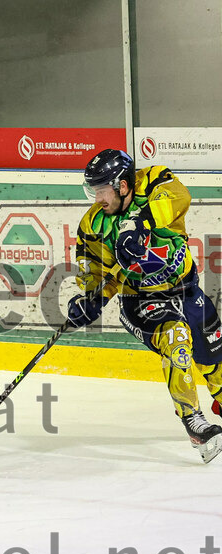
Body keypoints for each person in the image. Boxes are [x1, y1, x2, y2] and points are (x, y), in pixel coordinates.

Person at [66, 149, 222, 462]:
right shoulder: (93, 224)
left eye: (102, 191)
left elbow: (179, 196)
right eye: (93, 192)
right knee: (177, 339)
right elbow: (97, 276)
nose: (98, 199)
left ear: (123, 186)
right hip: (141, 301)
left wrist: (141, 222)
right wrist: (90, 299)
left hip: (187, 291)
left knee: (215, 365)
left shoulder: (152, 181)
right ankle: (194, 421)